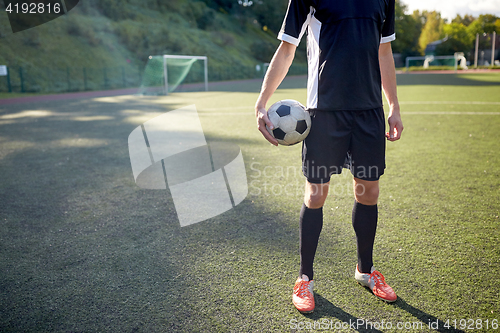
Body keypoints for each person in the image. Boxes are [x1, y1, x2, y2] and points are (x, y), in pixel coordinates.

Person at [254, 0, 404, 313]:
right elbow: (287, 48)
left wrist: (394, 106)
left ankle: (365, 271)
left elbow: (384, 51)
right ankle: (304, 278)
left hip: (369, 112)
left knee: (368, 192)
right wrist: (262, 102)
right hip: (323, 113)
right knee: (315, 194)